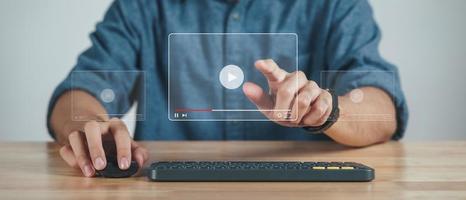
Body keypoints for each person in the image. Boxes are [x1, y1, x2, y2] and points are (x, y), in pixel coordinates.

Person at [48, 0, 409, 177]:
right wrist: (87, 126)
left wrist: (326, 111)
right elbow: (83, 88)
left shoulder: (335, 5)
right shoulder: (142, 6)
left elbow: (381, 107)